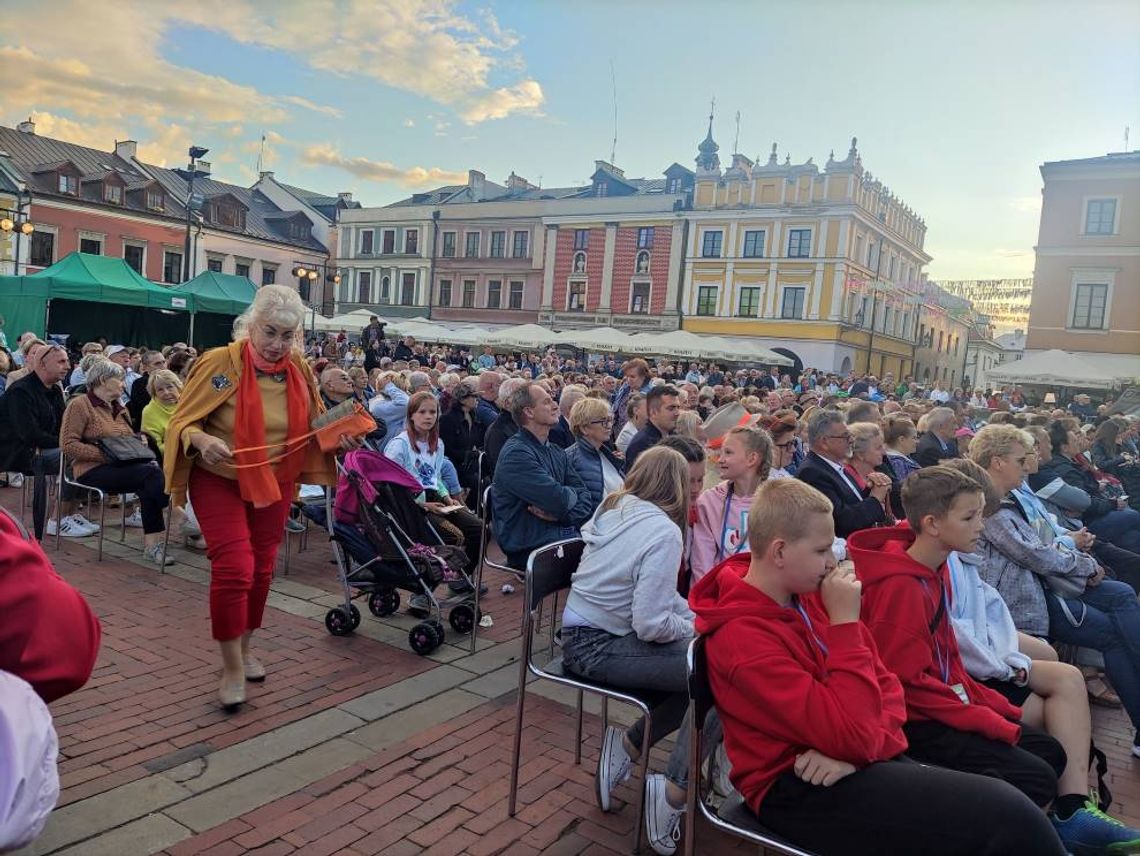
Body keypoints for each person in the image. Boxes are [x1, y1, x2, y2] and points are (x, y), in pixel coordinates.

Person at [689, 478, 1066, 856]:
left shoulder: (804, 596)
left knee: (1008, 797)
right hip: (791, 785)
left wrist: (859, 752)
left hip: (846, 757)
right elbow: (855, 724)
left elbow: (887, 686)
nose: (833, 562)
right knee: (1003, 812)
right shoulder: (744, 639)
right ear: (780, 551)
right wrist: (845, 627)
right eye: (821, 550)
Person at [164, 285, 350, 711]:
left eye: (287, 335)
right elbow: (182, 422)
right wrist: (199, 439)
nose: (277, 344)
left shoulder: (299, 367)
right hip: (220, 480)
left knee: (262, 570)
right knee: (235, 568)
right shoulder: (218, 363)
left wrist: (346, 431)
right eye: (270, 332)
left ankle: (246, 648)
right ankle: (230, 666)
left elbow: (316, 420)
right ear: (250, 325)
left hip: (276, 480)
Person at [850, 467, 1072, 819]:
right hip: (916, 721)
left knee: (1051, 753)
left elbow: (947, 660)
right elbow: (905, 685)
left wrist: (993, 709)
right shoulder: (901, 587)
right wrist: (987, 719)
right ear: (933, 524)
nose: (980, 526)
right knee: (1037, 776)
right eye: (969, 517)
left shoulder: (930, 569)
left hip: (942, 702)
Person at [969, 424, 1140, 756]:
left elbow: (1043, 538)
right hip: (1024, 600)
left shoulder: (1013, 494)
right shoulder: (989, 508)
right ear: (997, 462)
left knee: (1121, 593)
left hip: (1044, 584)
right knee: (1111, 634)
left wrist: (1077, 554)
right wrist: (1085, 563)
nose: (1028, 466)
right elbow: (1036, 554)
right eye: (1022, 460)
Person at [562, 446, 697, 855]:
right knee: (720, 674)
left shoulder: (616, 505)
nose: (697, 491)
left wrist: (695, 622)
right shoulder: (664, 531)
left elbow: (657, 600)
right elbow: (651, 623)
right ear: (676, 486)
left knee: (705, 669)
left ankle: (629, 747)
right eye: (692, 482)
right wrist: (696, 629)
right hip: (598, 645)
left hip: (581, 635)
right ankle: (672, 790)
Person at [59, 357, 173, 565]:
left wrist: (138, 440)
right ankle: (173, 513)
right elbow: (68, 444)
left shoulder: (119, 407)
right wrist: (105, 454)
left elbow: (124, 440)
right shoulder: (80, 404)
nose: (123, 383)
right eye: (119, 379)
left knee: (149, 478)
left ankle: (152, 545)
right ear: (103, 380)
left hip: (122, 467)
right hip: (91, 469)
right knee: (151, 475)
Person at [491, 382, 594, 569]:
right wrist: (569, 497)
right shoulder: (516, 454)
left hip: (557, 530)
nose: (555, 405)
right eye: (547, 402)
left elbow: (585, 498)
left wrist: (561, 514)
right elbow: (559, 500)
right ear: (529, 412)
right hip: (528, 543)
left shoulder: (556, 451)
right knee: (606, 553)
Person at [0, 343, 98, 539]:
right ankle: (57, 520)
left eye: (67, 361)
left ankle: (69, 513)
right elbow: (29, 435)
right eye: (61, 361)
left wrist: (77, 439)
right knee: (76, 454)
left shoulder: (53, 390)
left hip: (46, 448)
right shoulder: (21, 391)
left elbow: (65, 425)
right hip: (20, 453)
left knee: (92, 454)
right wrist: (68, 443)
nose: (68, 366)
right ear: (43, 364)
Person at [385, 391, 484, 568]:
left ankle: (461, 578)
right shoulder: (399, 445)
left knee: (480, 529)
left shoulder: (437, 443)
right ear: (411, 415)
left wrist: (446, 496)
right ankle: (432, 580)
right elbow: (390, 487)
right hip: (411, 504)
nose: (428, 417)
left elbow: (434, 477)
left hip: (434, 498)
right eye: (422, 412)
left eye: (433, 412)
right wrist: (422, 505)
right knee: (454, 536)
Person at [690, 425, 772, 585]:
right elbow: (702, 560)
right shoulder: (709, 502)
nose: (720, 459)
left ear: (752, 459)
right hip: (723, 593)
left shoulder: (778, 501)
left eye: (728, 452)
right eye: (721, 453)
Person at [795, 410, 888, 538]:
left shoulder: (834, 465)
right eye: (845, 436)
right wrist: (875, 499)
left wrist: (871, 488)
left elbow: (853, 502)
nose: (851, 441)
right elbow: (842, 520)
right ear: (824, 442)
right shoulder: (812, 472)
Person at [564, 397, 625, 512]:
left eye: (610, 420)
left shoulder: (605, 453)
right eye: (603, 421)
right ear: (584, 428)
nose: (609, 425)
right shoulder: (571, 459)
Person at [438, 378, 487, 505]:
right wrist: (469, 455)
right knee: (476, 483)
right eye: (474, 396)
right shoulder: (447, 420)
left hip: (471, 464)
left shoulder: (474, 416)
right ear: (462, 399)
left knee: (487, 480)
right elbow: (447, 449)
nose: (477, 400)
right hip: (455, 467)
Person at [846, 422, 897, 522]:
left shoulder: (880, 470)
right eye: (878, 448)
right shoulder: (846, 478)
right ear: (860, 454)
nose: (884, 452)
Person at [626, 385, 681, 469]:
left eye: (678, 407)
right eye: (671, 408)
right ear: (653, 412)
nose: (677, 413)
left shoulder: (675, 436)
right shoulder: (642, 445)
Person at [484, 377, 528, 474]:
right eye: (523, 397)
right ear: (508, 403)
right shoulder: (498, 432)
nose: (529, 402)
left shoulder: (525, 423)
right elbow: (506, 472)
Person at [611, 358, 652, 436]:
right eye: (627, 376)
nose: (628, 379)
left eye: (632, 377)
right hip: (617, 432)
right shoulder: (625, 387)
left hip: (637, 435)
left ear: (643, 376)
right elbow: (616, 406)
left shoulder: (651, 393)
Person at [127, 349, 167, 430]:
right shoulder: (139, 384)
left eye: (164, 362)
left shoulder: (173, 380)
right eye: (157, 363)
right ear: (145, 367)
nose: (163, 366)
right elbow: (143, 409)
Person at [367, 370, 410, 439]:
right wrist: (389, 385)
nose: (405, 393)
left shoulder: (391, 403)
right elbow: (405, 403)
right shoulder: (378, 405)